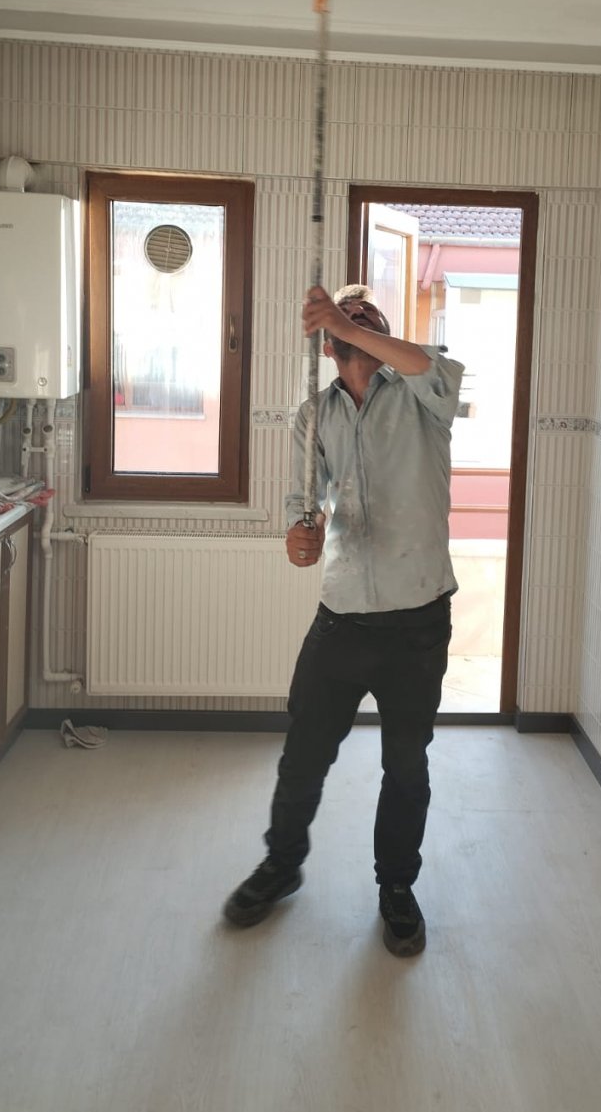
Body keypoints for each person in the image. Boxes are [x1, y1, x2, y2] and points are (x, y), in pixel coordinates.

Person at [223, 282, 464, 956]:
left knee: (405, 765)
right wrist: (298, 536)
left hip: (417, 621)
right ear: (328, 347)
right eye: (344, 319)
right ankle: (282, 865)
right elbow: (306, 501)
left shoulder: (422, 393)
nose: (355, 320)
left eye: (367, 316)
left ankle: (397, 886)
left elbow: (429, 364)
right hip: (343, 618)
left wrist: (347, 322)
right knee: (303, 755)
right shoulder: (314, 415)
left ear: (382, 334)